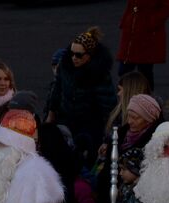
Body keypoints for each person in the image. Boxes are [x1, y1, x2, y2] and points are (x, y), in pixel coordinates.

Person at [45, 28, 117, 165]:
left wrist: (108, 136)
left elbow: (108, 106)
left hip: (90, 124)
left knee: (86, 158)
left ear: (89, 55)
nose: (74, 58)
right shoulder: (65, 67)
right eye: (72, 53)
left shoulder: (99, 75)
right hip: (65, 120)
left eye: (79, 55)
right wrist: (51, 114)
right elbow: (56, 90)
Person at [118, 0, 169, 84]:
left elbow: (168, 8)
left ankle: (146, 95)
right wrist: (125, 21)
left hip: (147, 34)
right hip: (132, 31)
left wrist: (152, 22)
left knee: (144, 70)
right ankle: (128, 94)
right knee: (124, 70)